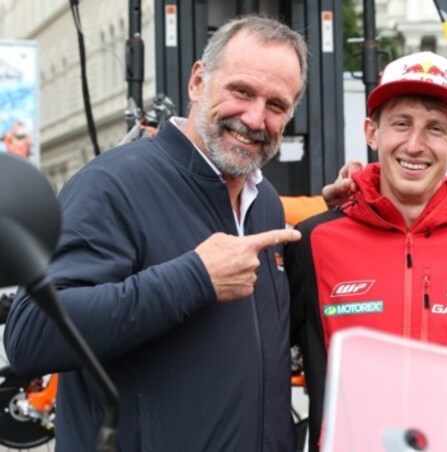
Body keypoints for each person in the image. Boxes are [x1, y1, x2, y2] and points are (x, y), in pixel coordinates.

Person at [4, 14, 307, 451]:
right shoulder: (112, 184)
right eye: (241, 91)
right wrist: (195, 278)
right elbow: (31, 337)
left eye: (276, 105)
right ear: (198, 82)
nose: (255, 117)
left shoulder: (267, 202)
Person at [284, 51, 447, 451]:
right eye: (401, 123)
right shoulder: (313, 241)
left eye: (436, 129)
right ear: (371, 132)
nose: (415, 144)